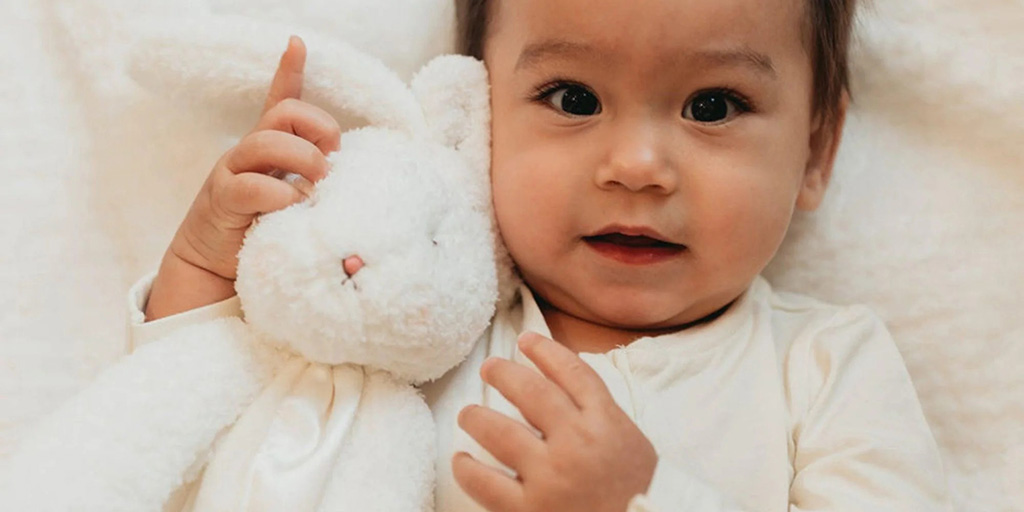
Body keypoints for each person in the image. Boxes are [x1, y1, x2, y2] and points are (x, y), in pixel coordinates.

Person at [130, 0, 953, 510]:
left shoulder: (823, 367)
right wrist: (205, 267)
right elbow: (222, 450)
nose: (635, 165)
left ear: (816, 148)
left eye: (712, 105)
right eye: (573, 99)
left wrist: (641, 499)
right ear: (482, 117)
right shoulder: (425, 331)